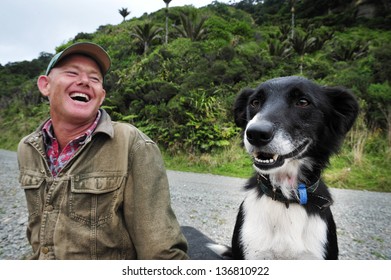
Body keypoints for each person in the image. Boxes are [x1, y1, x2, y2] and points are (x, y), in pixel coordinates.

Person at [17, 42, 189, 260]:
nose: (84, 81)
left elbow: (160, 249)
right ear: (45, 85)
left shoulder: (132, 144)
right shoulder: (27, 147)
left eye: (95, 78)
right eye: (72, 73)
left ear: (102, 95)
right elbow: (37, 231)